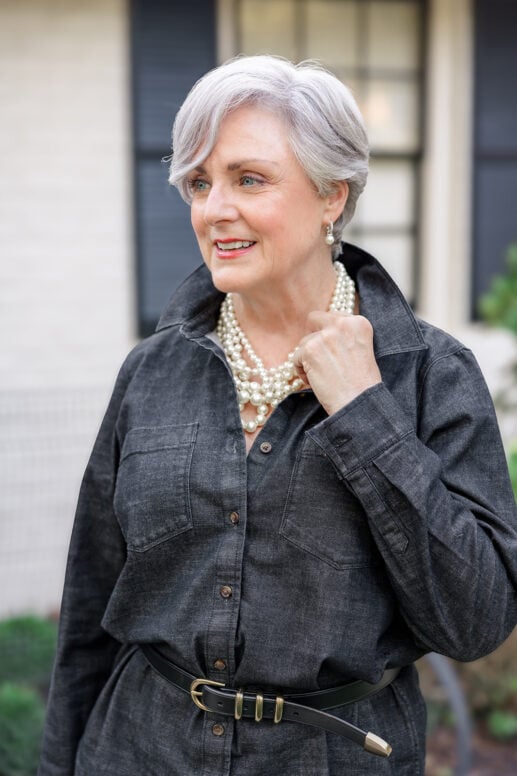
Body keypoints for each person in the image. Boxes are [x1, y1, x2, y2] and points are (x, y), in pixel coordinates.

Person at [38, 55, 517, 776]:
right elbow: (89, 610)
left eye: (248, 179)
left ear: (332, 194)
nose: (212, 209)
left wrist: (363, 410)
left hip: (333, 758)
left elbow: (474, 620)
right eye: (199, 182)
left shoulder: (428, 374)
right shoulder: (151, 372)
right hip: (138, 749)